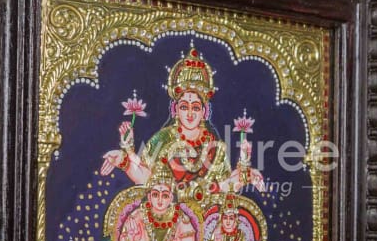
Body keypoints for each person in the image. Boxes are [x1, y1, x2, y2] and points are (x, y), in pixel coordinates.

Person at [100, 46, 264, 205]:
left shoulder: (216, 149)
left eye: (195, 108)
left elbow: (224, 188)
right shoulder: (162, 139)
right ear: (175, 109)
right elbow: (146, 179)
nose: (190, 114)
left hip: (205, 219)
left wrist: (245, 171)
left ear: (204, 112)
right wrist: (125, 157)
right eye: (184, 107)